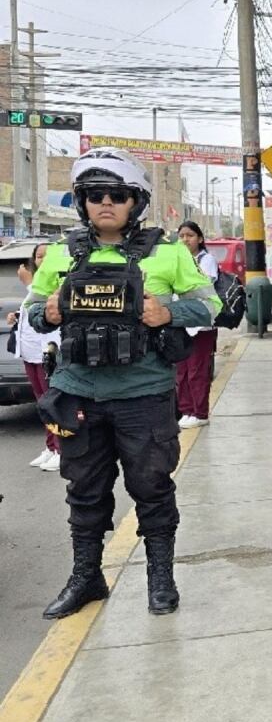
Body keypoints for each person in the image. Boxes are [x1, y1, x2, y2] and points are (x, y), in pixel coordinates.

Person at [23, 148, 221, 619]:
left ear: (136, 201)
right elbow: (33, 313)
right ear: (81, 202)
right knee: (84, 491)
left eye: (117, 194)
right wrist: (45, 312)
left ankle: (160, 579)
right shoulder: (60, 254)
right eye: (94, 194)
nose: (105, 203)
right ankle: (87, 577)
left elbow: (212, 306)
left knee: (152, 487)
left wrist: (168, 311)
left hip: (143, 395)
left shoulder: (168, 252)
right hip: (78, 393)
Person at [6, 242, 62, 471]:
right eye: (38, 256)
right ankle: (50, 446)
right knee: (42, 402)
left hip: (47, 352)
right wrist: (17, 315)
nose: (42, 260)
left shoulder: (56, 281)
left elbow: (50, 308)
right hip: (30, 352)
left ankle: (61, 448)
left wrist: (29, 284)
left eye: (46, 256)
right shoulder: (36, 285)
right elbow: (31, 309)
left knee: (54, 403)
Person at [175, 221, 218, 428]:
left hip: (200, 324)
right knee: (181, 371)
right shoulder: (176, 259)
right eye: (181, 236)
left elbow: (200, 284)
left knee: (197, 370)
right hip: (180, 323)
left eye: (189, 235)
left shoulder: (206, 260)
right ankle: (186, 410)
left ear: (200, 238)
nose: (185, 239)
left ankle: (200, 412)